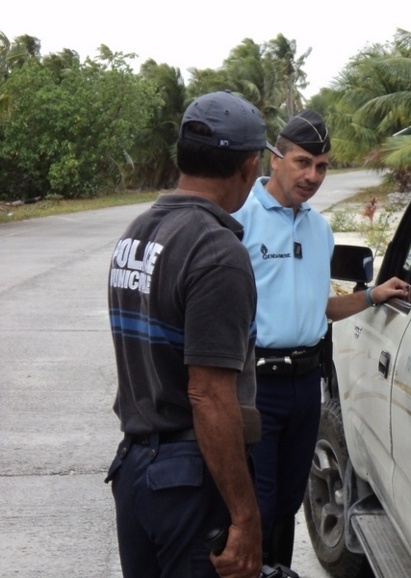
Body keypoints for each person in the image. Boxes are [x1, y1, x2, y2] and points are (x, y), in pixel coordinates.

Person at [105, 90, 277, 578]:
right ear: (248, 167)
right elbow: (208, 395)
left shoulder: (137, 234)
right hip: (187, 478)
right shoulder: (217, 251)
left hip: (137, 469)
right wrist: (246, 518)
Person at [232, 109, 410, 567]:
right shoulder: (240, 220)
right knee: (258, 503)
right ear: (275, 159)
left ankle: (280, 571)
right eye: (302, 162)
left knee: (290, 501)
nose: (312, 175)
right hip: (256, 386)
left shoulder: (319, 228)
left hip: (305, 386)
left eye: (322, 166)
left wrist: (372, 295)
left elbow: (320, 309)